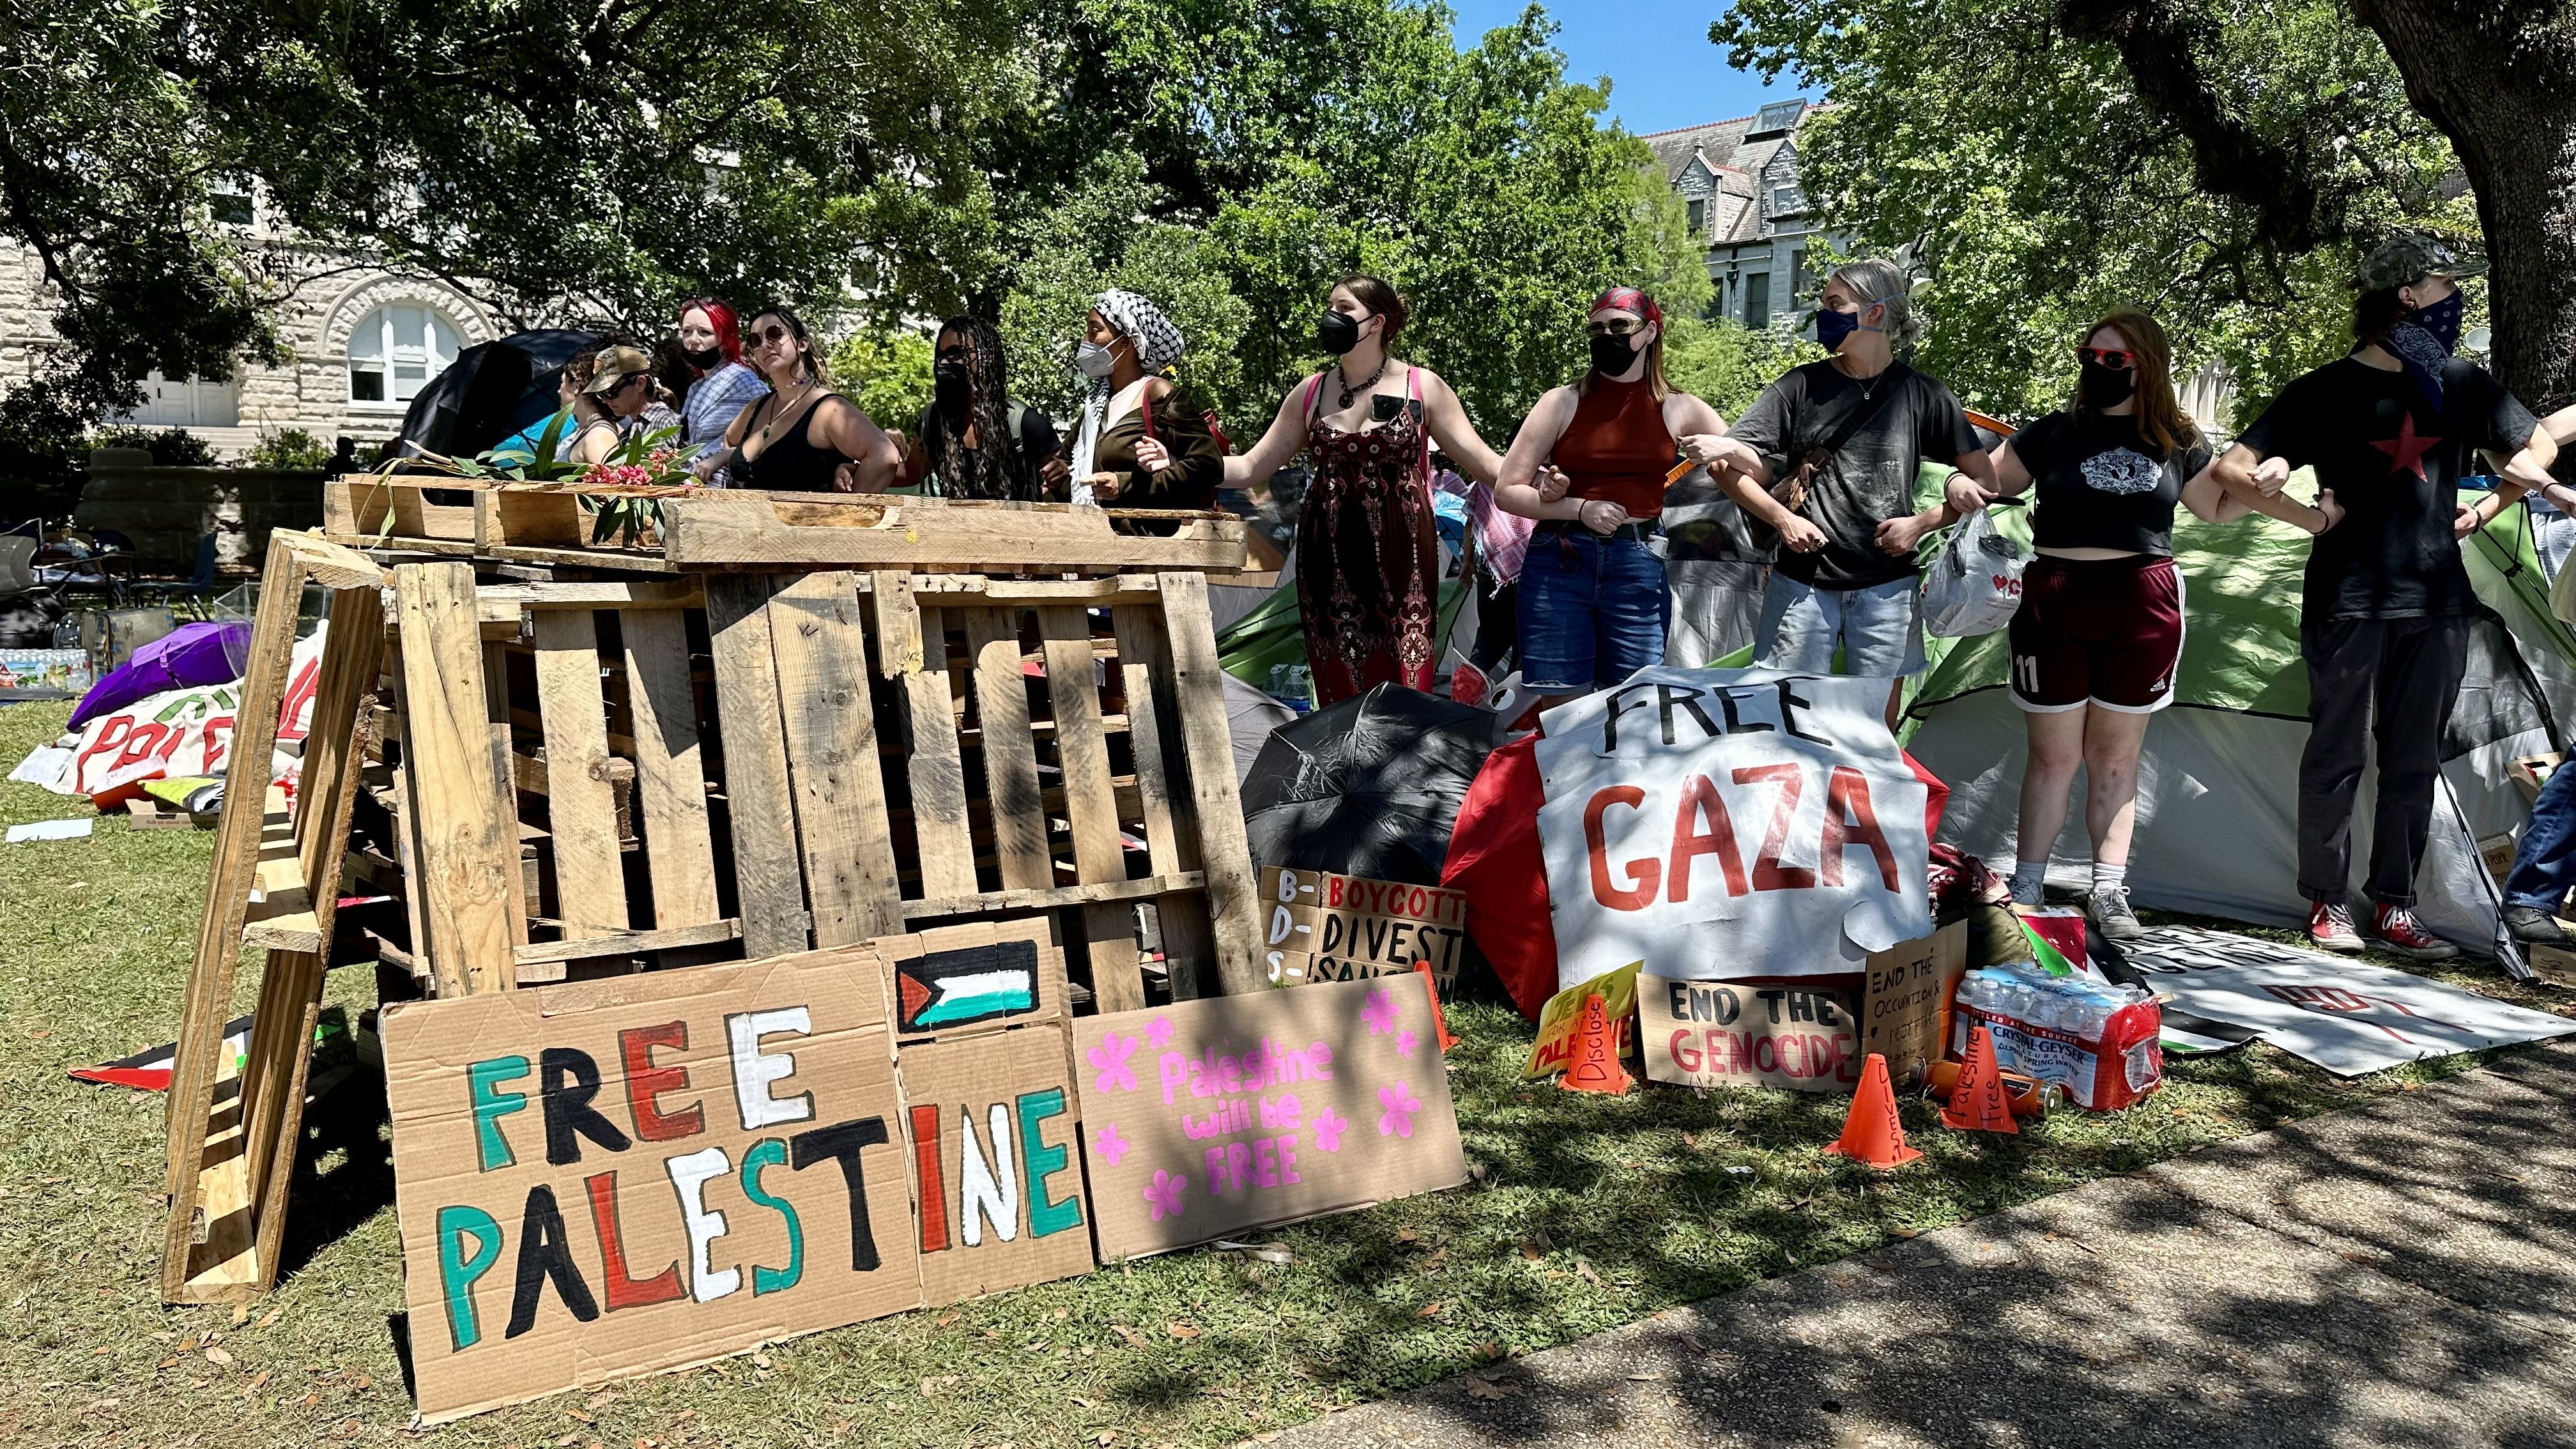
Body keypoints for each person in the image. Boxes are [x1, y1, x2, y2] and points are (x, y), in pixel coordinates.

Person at [2213, 233, 2561, 958]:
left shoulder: (2461, 382)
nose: (2457, 299)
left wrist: (2485, 509)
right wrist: (2309, 519)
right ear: (2407, 296)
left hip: (2438, 603)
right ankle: (2327, 902)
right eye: (2446, 286)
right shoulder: (2322, 390)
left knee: (2414, 761)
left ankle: (2395, 907)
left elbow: (2538, 449)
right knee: (2336, 754)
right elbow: (2232, 469)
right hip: (2348, 599)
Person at [1945, 308, 2248, 939]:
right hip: (2055, 599)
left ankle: (2108, 891)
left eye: (2114, 359)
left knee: (2114, 758)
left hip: (2142, 602)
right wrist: (1955, 482)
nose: (2097, 368)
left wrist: (2262, 484)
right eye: (2089, 356)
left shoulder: (2178, 439)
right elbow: (1985, 479)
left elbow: (2217, 508)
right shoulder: (2054, 432)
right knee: (2052, 757)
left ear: (2147, 365)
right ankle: (2029, 886)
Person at [1685, 259, 2000, 729]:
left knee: (1874, 732)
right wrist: (1783, 520)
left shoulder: (1926, 395)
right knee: (1784, 725)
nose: (1823, 315)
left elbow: (1987, 486)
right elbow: (1725, 468)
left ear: (1875, 313)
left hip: (1889, 593)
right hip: (1800, 588)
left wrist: (1923, 523)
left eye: (1835, 304)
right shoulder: (1799, 386)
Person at [1225, 276, 1509, 703]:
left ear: (1377, 322)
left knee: (1404, 682)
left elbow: (1486, 464)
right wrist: (1182, 463)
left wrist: (1543, 478)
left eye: (1344, 309)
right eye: (1330, 307)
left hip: (1403, 559)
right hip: (1327, 560)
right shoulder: (1310, 392)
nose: (1331, 317)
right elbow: (1249, 467)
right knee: (1338, 682)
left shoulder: (1422, 386)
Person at [1493, 286, 1726, 710]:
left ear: (1650, 332)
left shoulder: (1681, 407)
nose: (1607, 336)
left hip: (1637, 560)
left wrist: (1727, 449)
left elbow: (1751, 461)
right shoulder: (1560, 402)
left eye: (1620, 326)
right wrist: (1579, 508)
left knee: (1634, 703)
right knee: (1562, 707)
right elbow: (1507, 491)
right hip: (1561, 559)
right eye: (1596, 328)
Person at [698, 305, 900, 493]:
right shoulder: (756, 408)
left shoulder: (828, 409)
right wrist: (728, 456)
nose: (765, 344)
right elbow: (730, 439)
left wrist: (847, 511)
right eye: (756, 341)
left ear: (802, 344)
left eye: (775, 334)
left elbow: (884, 457)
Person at [1069, 290, 1223, 518]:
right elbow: (1069, 461)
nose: (1086, 341)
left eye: (1095, 331)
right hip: (1094, 533)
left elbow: (1209, 465)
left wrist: (1125, 484)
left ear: (1126, 343)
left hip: (1143, 537)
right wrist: (1060, 472)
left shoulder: (1158, 393)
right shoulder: (1098, 401)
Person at [901, 314, 1066, 500]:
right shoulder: (934, 419)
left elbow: (1064, 475)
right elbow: (910, 473)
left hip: (1014, 518)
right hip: (953, 519)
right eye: (941, 355)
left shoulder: (1023, 421)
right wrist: (875, 454)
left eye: (955, 353)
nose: (945, 362)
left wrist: (1060, 471)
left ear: (985, 355)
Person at [675, 298, 770, 465]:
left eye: (705, 332)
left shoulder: (743, 383)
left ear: (727, 339)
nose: (693, 340)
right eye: (687, 331)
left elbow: (763, 439)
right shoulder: (697, 388)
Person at [567, 343, 656, 464]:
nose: (605, 400)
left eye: (611, 392)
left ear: (640, 384)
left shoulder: (666, 423)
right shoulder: (630, 430)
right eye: (601, 394)